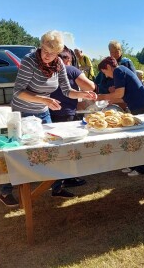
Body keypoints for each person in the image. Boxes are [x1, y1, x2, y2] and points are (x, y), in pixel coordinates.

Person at [0, 30, 97, 208]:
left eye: (53, 53)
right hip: (23, 112)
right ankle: (6, 190)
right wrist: (44, 99)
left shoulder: (58, 63)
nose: (48, 56)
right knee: (20, 152)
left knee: (52, 148)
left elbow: (67, 90)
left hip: (43, 111)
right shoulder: (29, 61)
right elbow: (18, 92)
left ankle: (57, 187)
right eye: (45, 51)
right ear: (40, 46)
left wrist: (84, 94)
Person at [97, 56, 144, 176]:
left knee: (140, 137)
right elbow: (122, 93)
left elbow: (119, 93)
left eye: (105, 72)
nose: (107, 76)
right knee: (136, 136)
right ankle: (136, 164)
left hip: (141, 106)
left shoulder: (118, 71)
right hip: (141, 105)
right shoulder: (122, 69)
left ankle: (142, 168)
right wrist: (113, 96)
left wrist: (102, 96)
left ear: (108, 67)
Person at [49, 46, 96, 189]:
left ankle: (54, 179)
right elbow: (90, 86)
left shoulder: (49, 70)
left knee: (54, 147)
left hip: (50, 112)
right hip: (66, 113)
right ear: (68, 59)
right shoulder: (71, 70)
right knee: (68, 147)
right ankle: (68, 178)